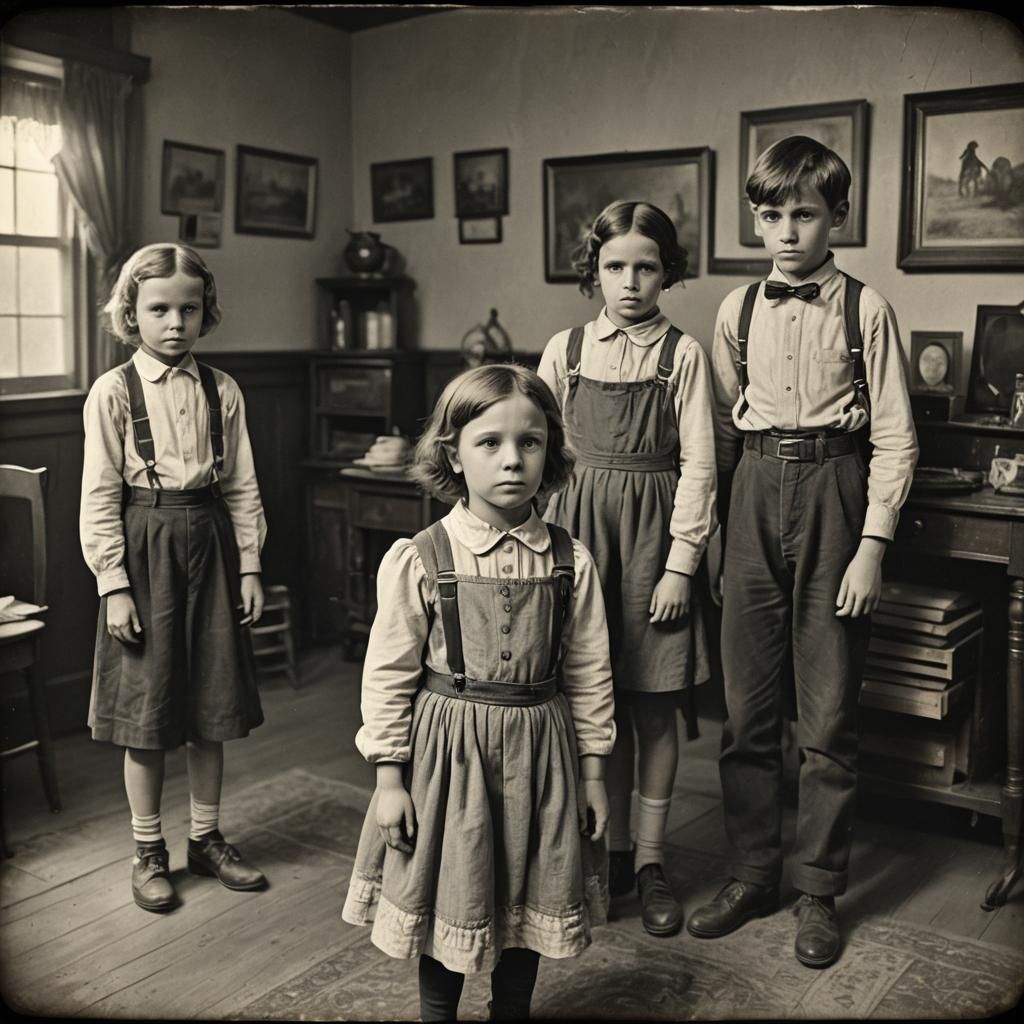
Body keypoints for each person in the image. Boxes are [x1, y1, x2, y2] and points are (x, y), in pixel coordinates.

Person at [690, 136, 918, 967]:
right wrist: (714, 530)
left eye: (804, 214)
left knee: (826, 718)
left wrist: (872, 548)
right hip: (750, 492)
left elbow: (896, 438)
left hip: (835, 495)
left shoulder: (868, 309)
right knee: (747, 711)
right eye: (770, 215)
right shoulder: (735, 310)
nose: (786, 231)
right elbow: (715, 431)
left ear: (839, 217)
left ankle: (818, 891)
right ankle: (752, 873)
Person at [342, 364, 616, 1022]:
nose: (512, 460)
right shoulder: (422, 557)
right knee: (452, 888)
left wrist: (594, 772)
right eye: (489, 443)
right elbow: (388, 674)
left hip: (541, 749)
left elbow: (589, 671)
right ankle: (439, 1012)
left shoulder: (569, 560)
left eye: (530, 442)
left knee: (533, 888)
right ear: (453, 456)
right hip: (450, 754)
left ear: (550, 452)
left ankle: (510, 1011)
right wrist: (388, 776)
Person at [538, 200, 717, 938]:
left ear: (666, 272)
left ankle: (648, 862)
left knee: (653, 705)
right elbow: (540, 457)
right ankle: (603, 855)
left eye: (646, 267)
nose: (631, 281)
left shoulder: (684, 355)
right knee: (590, 706)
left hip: (652, 546)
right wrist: (539, 554)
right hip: (578, 542)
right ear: (595, 270)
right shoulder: (566, 350)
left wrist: (680, 568)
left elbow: (702, 465)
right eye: (616, 266)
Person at [80, 243, 269, 914]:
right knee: (148, 717)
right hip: (144, 549)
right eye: (158, 309)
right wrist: (114, 584)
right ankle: (148, 849)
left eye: (189, 309)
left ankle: (206, 838)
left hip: (211, 543)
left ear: (205, 313)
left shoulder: (223, 390)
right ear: (131, 313)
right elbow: (100, 496)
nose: (174, 323)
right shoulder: (112, 393)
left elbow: (243, 487)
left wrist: (249, 566)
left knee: (210, 710)